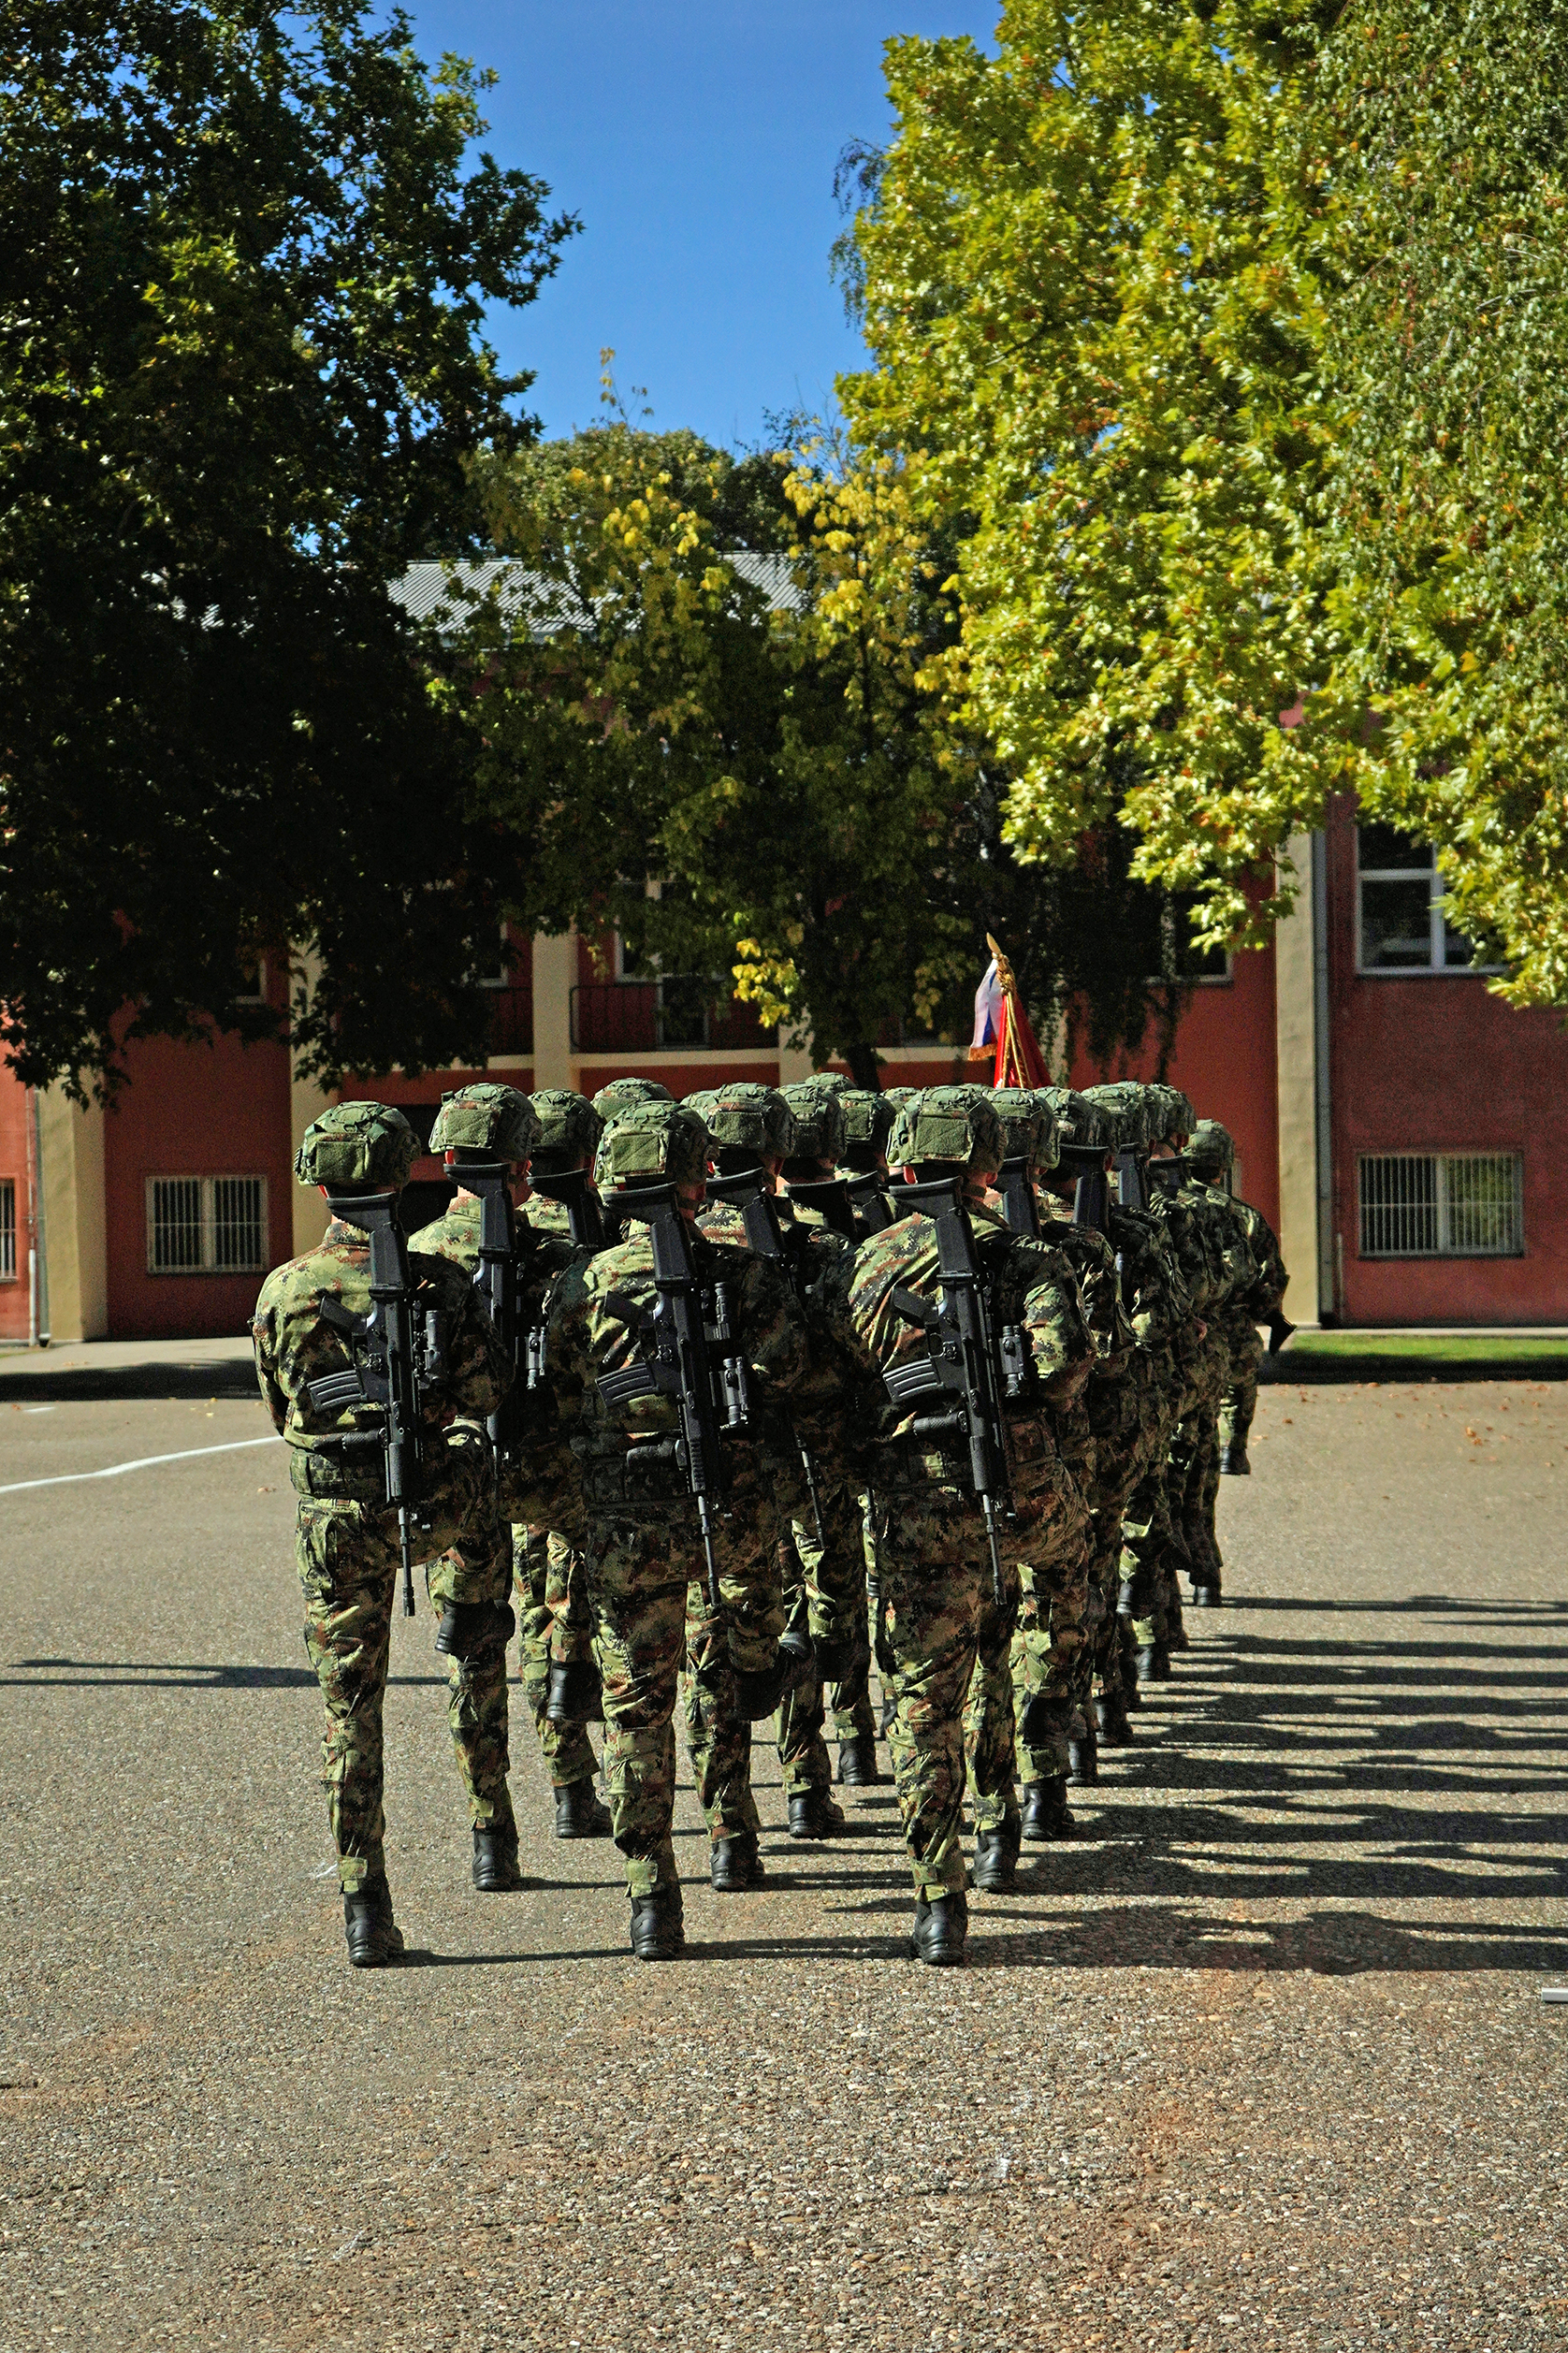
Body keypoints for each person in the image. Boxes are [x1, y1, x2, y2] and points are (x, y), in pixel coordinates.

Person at [539, 1102, 812, 1957]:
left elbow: (556, 1398)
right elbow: (792, 1372)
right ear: (698, 1183)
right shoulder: (744, 1275)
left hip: (630, 1533)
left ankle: (651, 1895)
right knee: (726, 1668)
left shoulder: (579, 1285)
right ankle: (731, 1834)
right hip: (733, 1520)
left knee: (637, 1710)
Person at [251, 1100, 516, 1969]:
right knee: (480, 1471)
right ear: (403, 1179)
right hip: (436, 1505)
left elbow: (283, 1412)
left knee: (349, 1710)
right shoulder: (441, 1282)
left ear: (320, 1184)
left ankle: (364, 1904)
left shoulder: (284, 1290)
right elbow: (486, 1396)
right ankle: (473, 1610)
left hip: (337, 1523)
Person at [838, 1086, 1095, 1964]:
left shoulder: (866, 1264)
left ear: (905, 1163)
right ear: (989, 1167)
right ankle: (1029, 1766)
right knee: (1045, 1601)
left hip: (920, 1508)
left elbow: (837, 1382)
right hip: (1023, 1496)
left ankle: (938, 1898)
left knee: (924, 1700)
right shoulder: (1029, 1257)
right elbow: (1063, 1369)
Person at [407, 1082, 612, 1839]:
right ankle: (572, 1779)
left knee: (472, 1645)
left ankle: (490, 1832)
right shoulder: (563, 1257)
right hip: (550, 1468)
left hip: (461, 1475)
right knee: (574, 1595)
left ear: (449, 1161)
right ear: (523, 1167)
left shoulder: (418, 1255)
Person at [1186, 1119, 1289, 1478]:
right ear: (1224, 1164)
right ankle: (1234, 1449)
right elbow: (1271, 1277)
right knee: (1242, 1372)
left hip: (1183, 1324)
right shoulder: (1243, 1215)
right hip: (1230, 1325)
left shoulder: (1165, 1204)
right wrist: (1259, 1310)